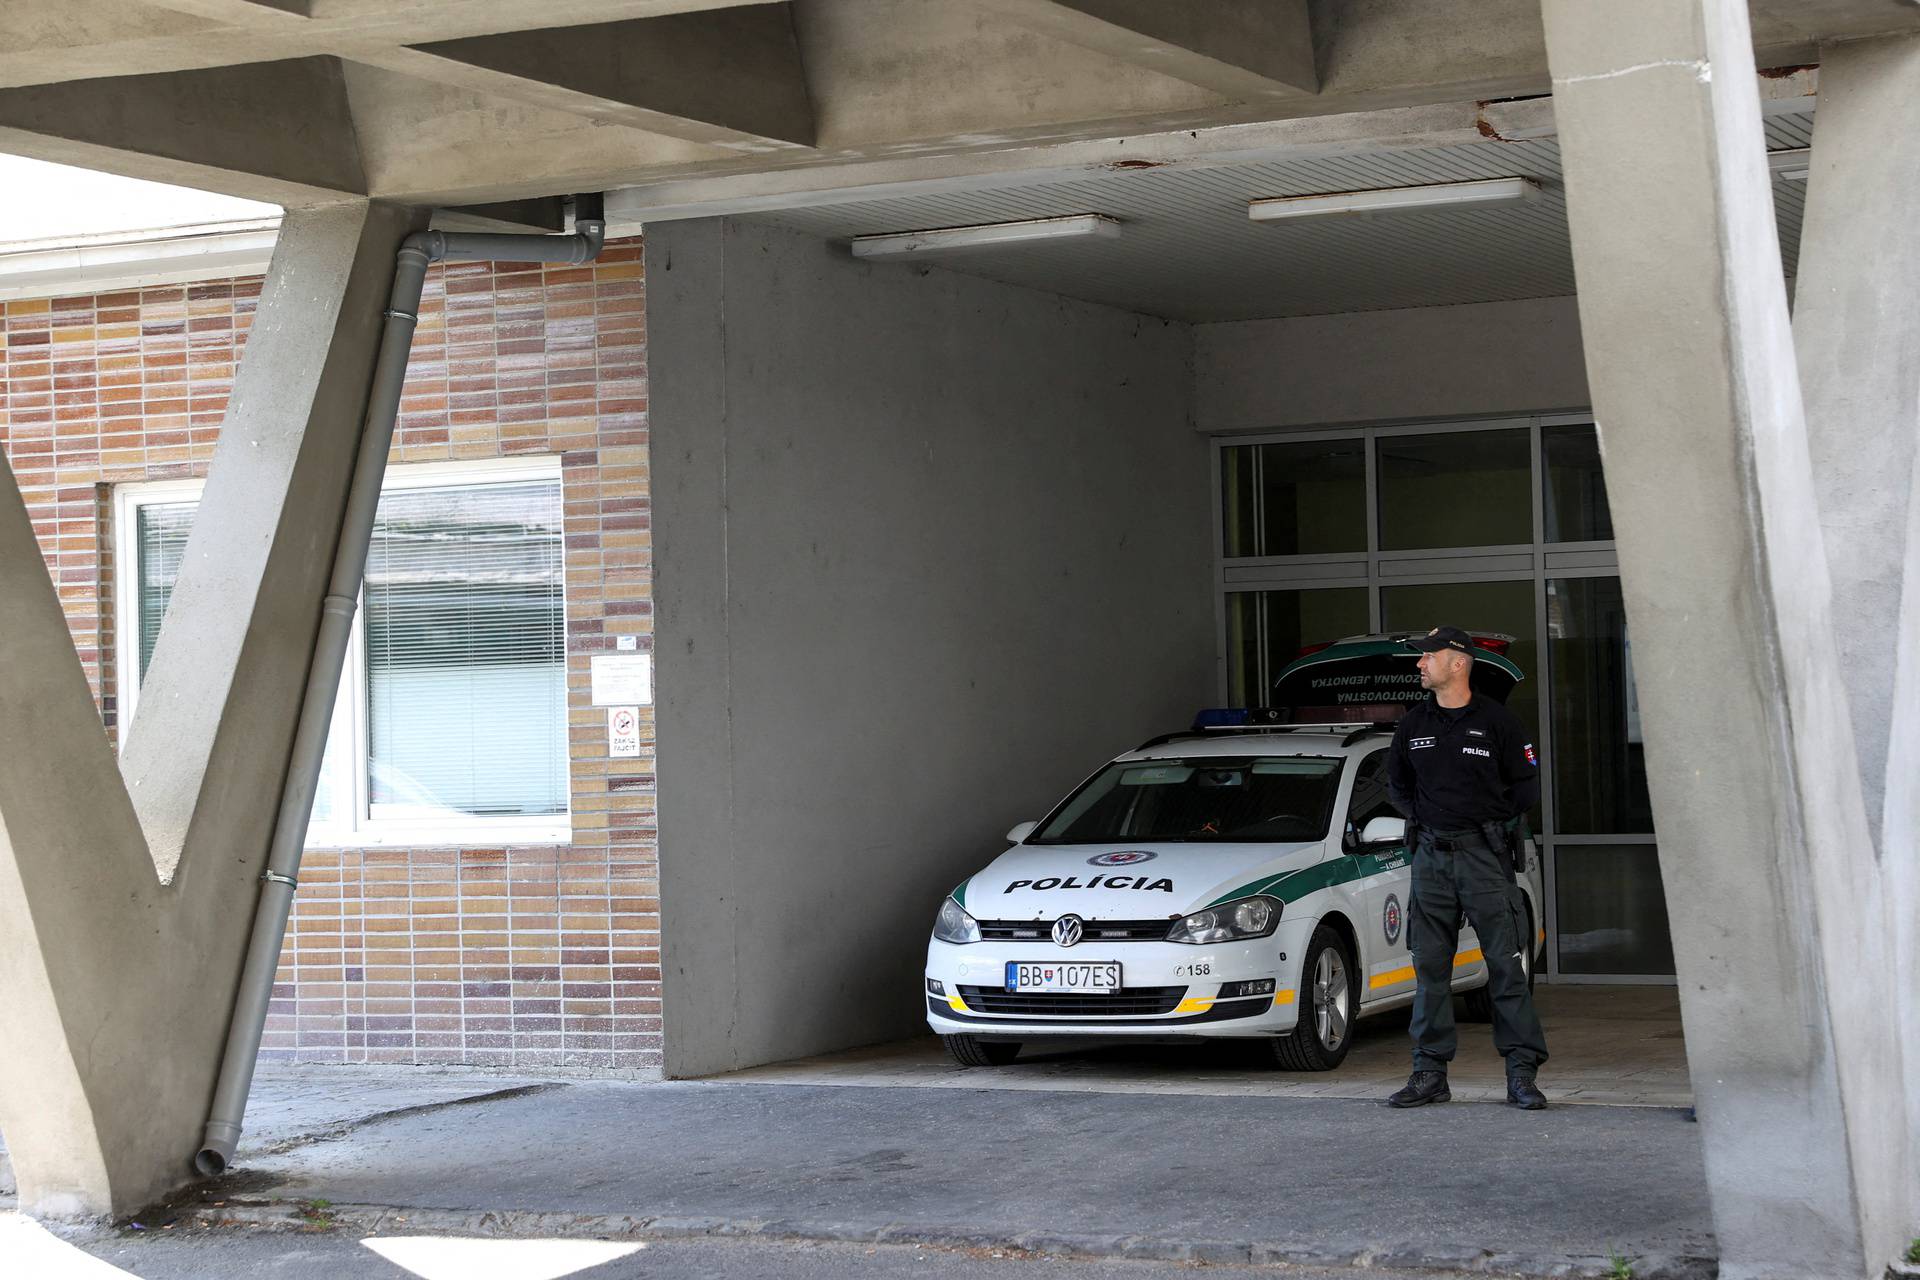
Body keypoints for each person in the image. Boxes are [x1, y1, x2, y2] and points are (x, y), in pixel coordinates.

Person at [1383, 626, 1549, 1111]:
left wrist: (1489, 827)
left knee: (1505, 966)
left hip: (1483, 857)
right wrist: (1427, 821)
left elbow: (1525, 788)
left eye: (1427, 657)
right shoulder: (1413, 724)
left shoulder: (1498, 723)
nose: (1419, 664)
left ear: (1457, 663)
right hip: (1431, 857)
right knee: (1429, 968)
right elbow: (1397, 786)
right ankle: (1429, 1073)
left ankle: (1521, 1074)